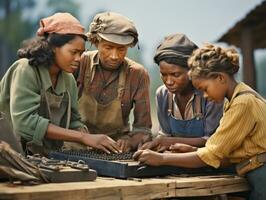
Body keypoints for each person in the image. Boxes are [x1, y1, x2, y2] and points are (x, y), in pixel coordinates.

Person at [134, 44, 266, 200]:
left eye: (205, 88)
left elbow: (212, 155)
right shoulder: (234, 99)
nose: (204, 95)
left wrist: (161, 158)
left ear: (221, 78)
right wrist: (191, 150)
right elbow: (223, 150)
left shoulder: (242, 103)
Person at [0, 12, 120, 155]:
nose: (78, 59)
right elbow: (25, 124)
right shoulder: (26, 69)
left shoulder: (68, 79)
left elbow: (73, 121)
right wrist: (84, 137)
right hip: (8, 155)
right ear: (52, 47)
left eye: (81, 53)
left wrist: (88, 138)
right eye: (73, 52)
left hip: (43, 156)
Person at [77, 12, 152, 152]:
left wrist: (129, 141)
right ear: (95, 42)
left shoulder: (138, 74)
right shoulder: (80, 64)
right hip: (78, 143)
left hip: (114, 148)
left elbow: (143, 129)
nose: (114, 56)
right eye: (108, 47)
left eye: (121, 49)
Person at [140, 33, 223, 152]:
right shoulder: (162, 95)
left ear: (191, 71)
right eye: (163, 74)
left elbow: (212, 141)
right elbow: (165, 135)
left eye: (175, 75)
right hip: (175, 160)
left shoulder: (210, 95)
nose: (168, 81)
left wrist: (170, 141)